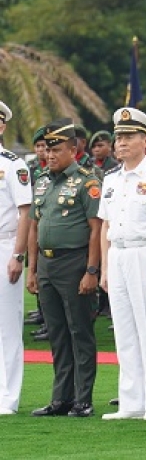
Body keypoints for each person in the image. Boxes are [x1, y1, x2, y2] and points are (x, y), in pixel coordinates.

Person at [98, 107, 146, 421]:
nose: (122, 143)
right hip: (118, 254)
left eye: (129, 136)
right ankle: (131, 401)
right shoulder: (111, 179)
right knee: (125, 332)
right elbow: (104, 226)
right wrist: (105, 268)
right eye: (119, 137)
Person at [27, 118, 102, 418]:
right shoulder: (42, 180)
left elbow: (95, 229)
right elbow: (35, 225)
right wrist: (32, 269)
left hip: (74, 263)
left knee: (79, 331)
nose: (49, 154)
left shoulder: (87, 181)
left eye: (56, 149)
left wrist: (92, 270)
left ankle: (83, 399)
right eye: (46, 149)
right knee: (57, 333)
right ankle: (61, 397)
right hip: (46, 263)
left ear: (73, 149)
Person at [0, 101, 32, 415]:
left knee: (7, 324)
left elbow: (25, 212)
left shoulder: (12, 165)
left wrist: (18, 254)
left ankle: (7, 398)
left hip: (5, 245)